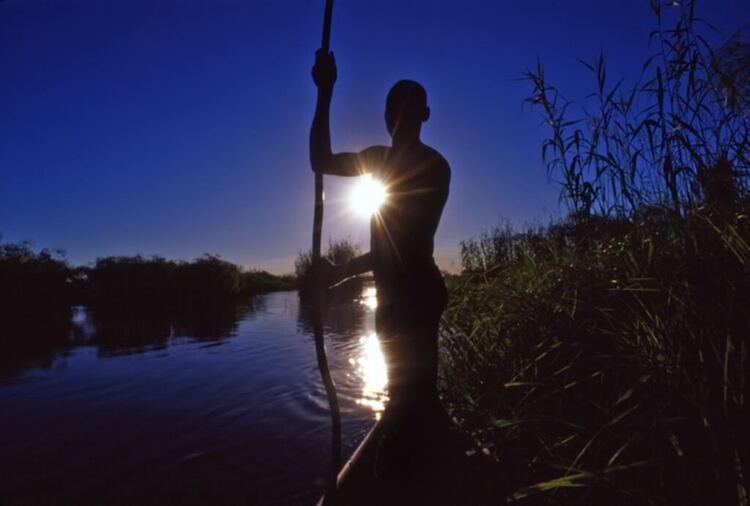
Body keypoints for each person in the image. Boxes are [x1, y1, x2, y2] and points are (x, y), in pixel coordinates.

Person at [309, 49, 451, 477]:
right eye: (393, 107)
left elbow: (402, 250)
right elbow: (321, 161)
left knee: (410, 401)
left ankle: (413, 472)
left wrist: (325, 93)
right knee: (412, 396)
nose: (399, 115)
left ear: (424, 114)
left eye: (406, 108)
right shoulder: (383, 161)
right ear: (387, 114)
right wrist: (325, 91)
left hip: (412, 301)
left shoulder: (429, 166)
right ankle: (421, 457)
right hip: (404, 299)